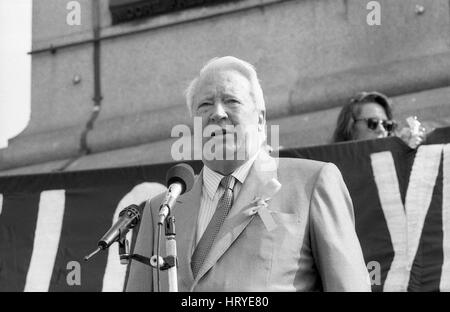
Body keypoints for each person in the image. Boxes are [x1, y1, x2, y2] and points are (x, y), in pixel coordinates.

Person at [126, 56, 371, 292]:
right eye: (205, 105)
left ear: (261, 119)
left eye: (231, 101)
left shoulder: (312, 183)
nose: (218, 113)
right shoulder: (159, 210)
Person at [332, 91, 425, 148]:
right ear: (351, 128)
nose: (381, 130)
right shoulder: (334, 168)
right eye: (373, 123)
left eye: (387, 125)